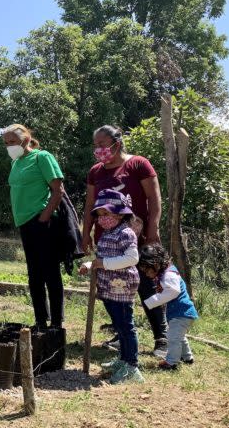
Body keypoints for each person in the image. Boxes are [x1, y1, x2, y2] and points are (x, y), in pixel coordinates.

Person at [82, 125, 168, 357]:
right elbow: (90, 206)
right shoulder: (96, 172)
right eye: (96, 145)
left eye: (102, 144)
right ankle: (123, 334)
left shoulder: (138, 164)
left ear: (116, 143)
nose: (98, 150)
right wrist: (86, 233)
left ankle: (161, 336)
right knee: (112, 286)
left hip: (136, 237)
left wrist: (152, 230)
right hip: (108, 241)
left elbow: (154, 199)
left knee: (147, 285)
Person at [2, 124, 65, 329]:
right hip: (25, 224)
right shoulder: (16, 163)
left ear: (26, 140)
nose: (9, 146)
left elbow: (58, 190)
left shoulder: (42, 157)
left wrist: (44, 217)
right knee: (34, 274)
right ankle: (40, 320)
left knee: (50, 272)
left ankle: (56, 322)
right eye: (6, 143)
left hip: (42, 222)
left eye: (12, 142)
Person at [80, 188, 144, 384]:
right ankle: (123, 360)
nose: (102, 219)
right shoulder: (107, 234)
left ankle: (132, 367)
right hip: (109, 288)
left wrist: (103, 264)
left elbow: (132, 258)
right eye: (100, 215)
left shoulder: (126, 233)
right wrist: (91, 264)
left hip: (122, 288)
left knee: (126, 326)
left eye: (106, 214)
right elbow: (103, 259)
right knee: (119, 325)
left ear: (119, 213)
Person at [137, 243, 198, 370]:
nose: (146, 274)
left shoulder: (169, 274)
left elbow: (173, 291)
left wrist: (152, 301)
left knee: (173, 337)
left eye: (147, 270)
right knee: (179, 336)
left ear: (156, 264)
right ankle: (187, 357)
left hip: (182, 312)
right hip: (181, 313)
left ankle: (171, 362)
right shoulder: (166, 272)